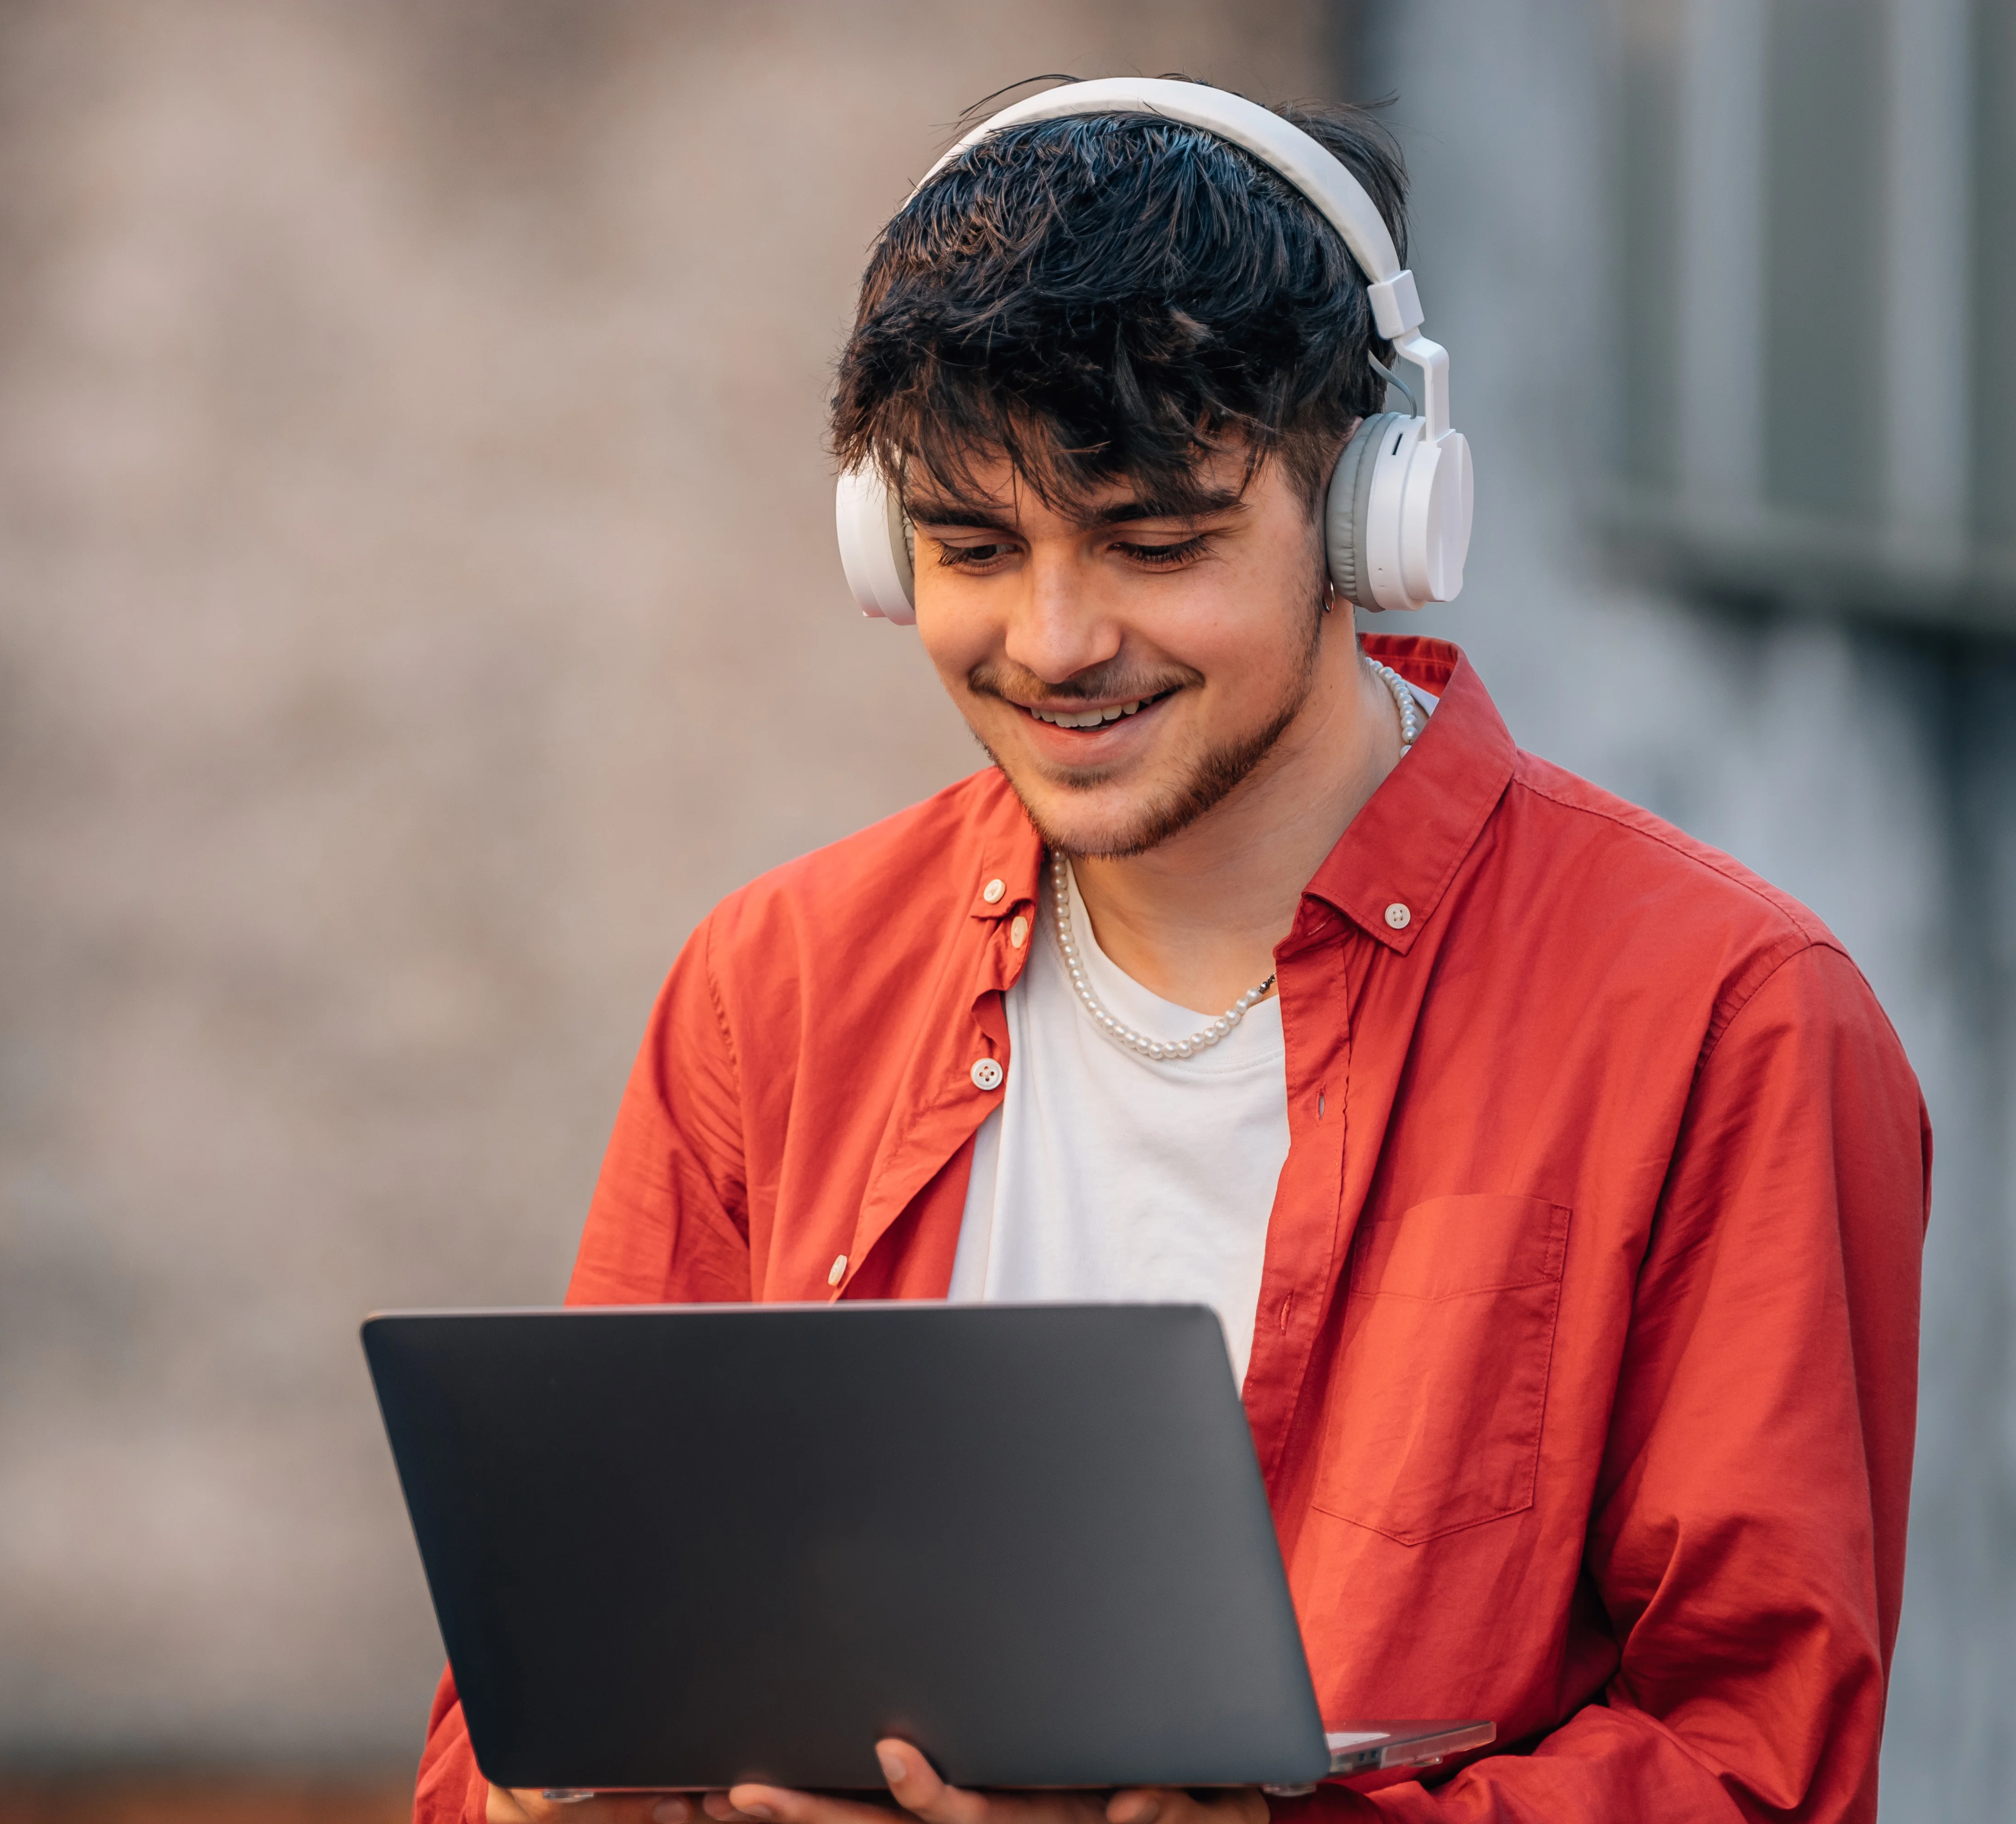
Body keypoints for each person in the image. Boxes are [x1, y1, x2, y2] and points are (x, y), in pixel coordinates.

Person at [409, 79, 1926, 1824]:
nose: (1055, 642)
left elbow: (1762, 1767)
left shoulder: (1726, 1022)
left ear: (1377, 514)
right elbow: (514, 1720)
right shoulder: (776, 984)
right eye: (972, 549)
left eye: (1157, 541)